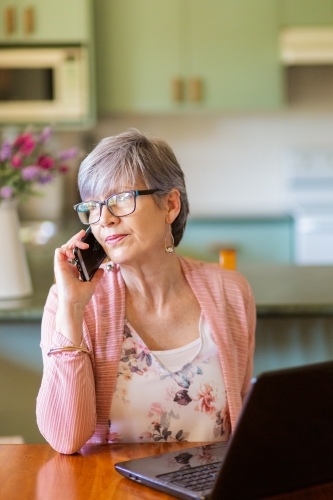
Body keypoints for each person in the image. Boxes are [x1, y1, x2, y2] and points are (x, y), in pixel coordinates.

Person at [36, 129, 256, 454]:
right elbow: (65, 440)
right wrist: (71, 309)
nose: (105, 219)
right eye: (93, 207)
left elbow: (241, 418)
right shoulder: (71, 302)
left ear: (170, 204)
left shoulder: (230, 292)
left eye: (121, 200)